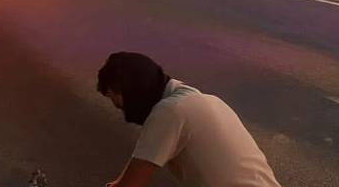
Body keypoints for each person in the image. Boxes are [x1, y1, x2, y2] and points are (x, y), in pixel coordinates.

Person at [97, 52, 281, 187]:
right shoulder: (206, 100)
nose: (125, 114)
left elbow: (130, 185)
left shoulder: (169, 112)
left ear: (133, 94)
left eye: (122, 105)